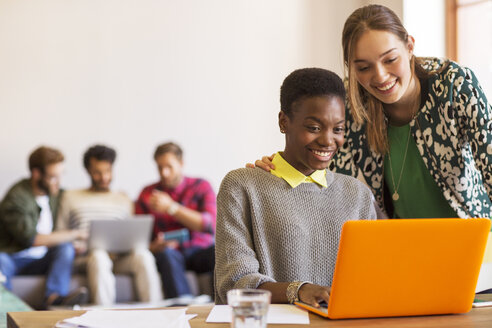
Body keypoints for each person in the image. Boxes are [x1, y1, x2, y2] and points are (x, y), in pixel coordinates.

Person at [253, 4, 491, 219]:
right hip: (396, 245)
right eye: (364, 67)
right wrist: (281, 168)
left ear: (409, 46)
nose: (380, 76)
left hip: (469, 237)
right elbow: (324, 176)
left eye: (390, 60)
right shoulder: (348, 102)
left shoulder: (454, 85)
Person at [215, 68, 380, 306]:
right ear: (284, 122)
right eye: (314, 128)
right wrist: (299, 291)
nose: (327, 140)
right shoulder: (242, 186)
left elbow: (370, 278)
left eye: (338, 129)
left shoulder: (357, 194)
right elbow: (234, 282)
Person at [56, 145, 162, 305]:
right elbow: (60, 233)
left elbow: (132, 234)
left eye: (108, 171)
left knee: (144, 256)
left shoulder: (123, 199)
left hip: (119, 258)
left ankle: (157, 313)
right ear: (88, 171)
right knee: (99, 256)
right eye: (98, 172)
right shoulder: (70, 197)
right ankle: (103, 317)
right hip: (87, 258)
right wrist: (74, 245)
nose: (104, 177)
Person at [0, 146, 88, 309]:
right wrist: (74, 234)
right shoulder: (16, 198)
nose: (58, 182)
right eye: (53, 177)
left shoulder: (56, 195)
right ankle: (8, 310)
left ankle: (53, 298)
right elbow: (30, 239)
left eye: (60, 176)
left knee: (65, 248)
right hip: (13, 257)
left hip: (41, 259)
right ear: (36, 174)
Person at [135, 142, 216, 299]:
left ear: (181, 164)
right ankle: (183, 309)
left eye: (169, 167)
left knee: (220, 252)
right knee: (167, 255)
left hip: (199, 251)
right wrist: (153, 246)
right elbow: (138, 238)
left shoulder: (201, 186)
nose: (164, 173)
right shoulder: (147, 193)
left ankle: (223, 307)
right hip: (168, 254)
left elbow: (210, 224)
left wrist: (171, 208)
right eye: (159, 167)